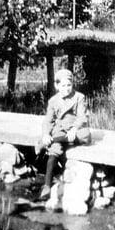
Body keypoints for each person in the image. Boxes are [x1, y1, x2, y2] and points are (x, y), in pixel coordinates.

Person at [37, 69, 91, 200]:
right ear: (57, 86)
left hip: (75, 129)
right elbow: (48, 120)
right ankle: (47, 186)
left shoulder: (79, 97)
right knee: (55, 148)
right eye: (63, 86)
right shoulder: (53, 101)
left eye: (69, 85)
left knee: (85, 135)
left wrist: (74, 129)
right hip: (60, 129)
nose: (66, 89)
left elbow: (82, 117)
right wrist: (45, 134)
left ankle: (53, 141)